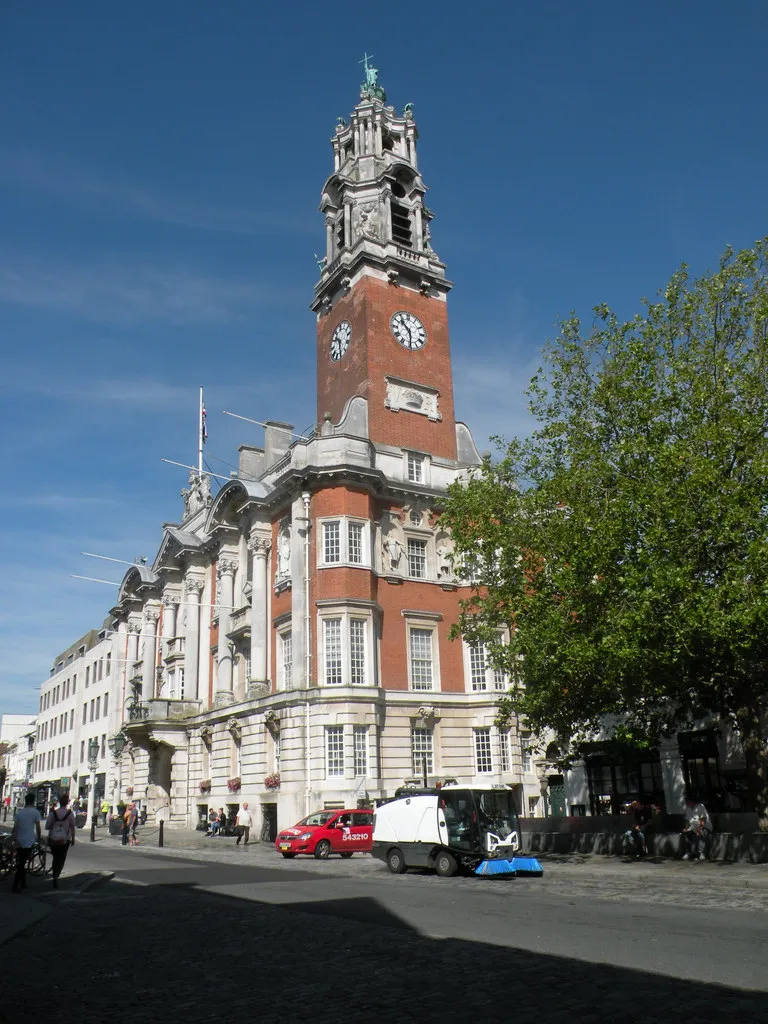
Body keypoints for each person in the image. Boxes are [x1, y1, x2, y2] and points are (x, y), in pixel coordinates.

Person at [10, 792, 42, 893]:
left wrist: (14, 838)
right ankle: (16, 885)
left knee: (21, 861)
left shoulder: (20, 813)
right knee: (23, 863)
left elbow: (15, 828)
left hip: (19, 840)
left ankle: (23, 883)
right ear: (33, 801)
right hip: (29, 840)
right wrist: (39, 837)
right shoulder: (35, 812)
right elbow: (38, 827)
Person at [46, 792, 76, 889]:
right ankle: (57, 875)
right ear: (67, 803)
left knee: (55, 857)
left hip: (53, 839)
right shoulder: (70, 814)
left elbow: (47, 826)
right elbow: (72, 827)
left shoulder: (53, 813)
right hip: (64, 840)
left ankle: (54, 874)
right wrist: (73, 838)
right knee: (61, 858)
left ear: (59, 802)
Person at [681, 795, 712, 861]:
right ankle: (688, 852)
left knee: (701, 833)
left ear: (692, 801)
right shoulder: (688, 808)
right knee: (686, 833)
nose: (687, 803)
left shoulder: (700, 806)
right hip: (693, 827)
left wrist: (699, 829)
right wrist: (686, 828)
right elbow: (687, 821)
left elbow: (703, 820)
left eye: (688, 801)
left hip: (704, 826)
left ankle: (702, 853)